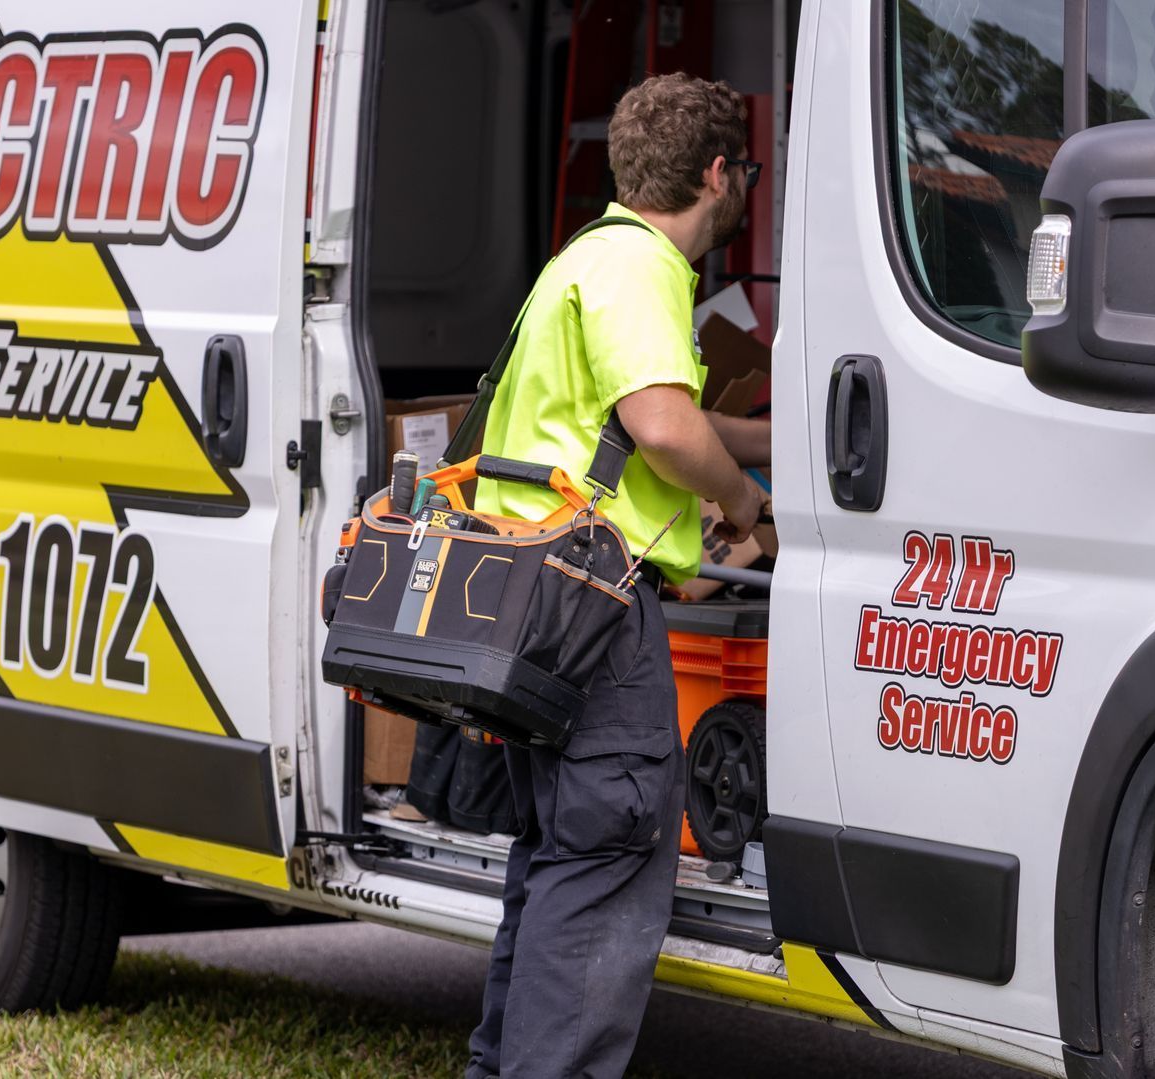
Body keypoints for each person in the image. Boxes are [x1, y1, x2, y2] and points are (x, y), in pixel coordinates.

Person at [466, 73, 771, 1079]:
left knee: (557, 862)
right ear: (719, 173)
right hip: (594, 610)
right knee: (604, 857)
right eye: (745, 171)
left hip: (531, 602)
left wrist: (772, 439)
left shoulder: (584, 259)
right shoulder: (646, 267)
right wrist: (741, 499)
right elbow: (663, 427)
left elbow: (650, 410)